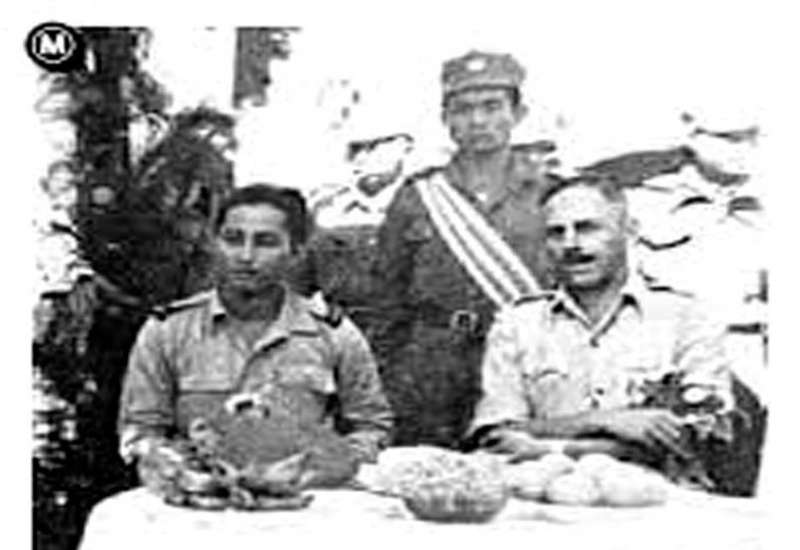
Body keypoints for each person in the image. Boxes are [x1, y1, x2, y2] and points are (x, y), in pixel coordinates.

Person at [470, 174, 735, 481]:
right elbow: (495, 436)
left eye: (587, 228)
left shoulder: (685, 317)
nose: (570, 244)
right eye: (556, 233)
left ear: (630, 232)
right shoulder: (519, 323)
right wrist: (603, 421)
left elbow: (704, 433)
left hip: (659, 497)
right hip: (545, 495)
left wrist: (549, 444)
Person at [118, 184, 393, 472]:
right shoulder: (167, 332)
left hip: (304, 492)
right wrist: (173, 465)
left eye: (265, 242)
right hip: (197, 491)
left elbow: (372, 427)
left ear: (296, 251)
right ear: (214, 244)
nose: (246, 255)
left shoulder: (333, 334)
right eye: (233, 240)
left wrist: (330, 465)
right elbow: (140, 430)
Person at [371, 50, 552, 447]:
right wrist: (391, 376)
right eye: (463, 109)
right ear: (446, 119)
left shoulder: (548, 191)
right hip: (433, 366)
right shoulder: (418, 196)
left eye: (492, 106)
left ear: (518, 113)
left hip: (524, 361)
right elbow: (386, 300)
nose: (478, 120)